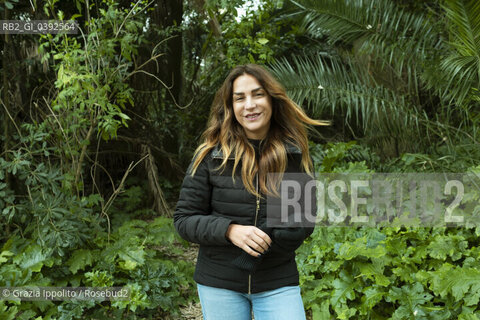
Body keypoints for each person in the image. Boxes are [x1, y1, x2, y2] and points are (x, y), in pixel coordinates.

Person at [174, 64, 327, 320]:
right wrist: (230, 230)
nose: (250, 105)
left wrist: (286, 230)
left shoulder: (293, 156)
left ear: (271, 99)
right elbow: (184, 220)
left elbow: (304, 224)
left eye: (258, 94)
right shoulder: (210, 157)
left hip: (277, 281)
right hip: (219, 282)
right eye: (240, 98)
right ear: (231, 107)